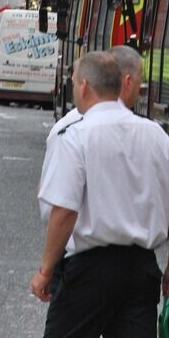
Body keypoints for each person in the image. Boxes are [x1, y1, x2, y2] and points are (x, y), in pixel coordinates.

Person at [32, 52, 169, 338]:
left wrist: (46, 270)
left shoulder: (74, 134)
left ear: (84, 86)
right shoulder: (154, 134)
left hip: (87, 271)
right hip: (140, 269)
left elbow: (64, 211)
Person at [40, 45, 144, 222]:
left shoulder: (69, 131)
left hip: (82, 238)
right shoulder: (153, 134)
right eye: (140, 80)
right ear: (126, 81)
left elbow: (53, 208)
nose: (141, 89)